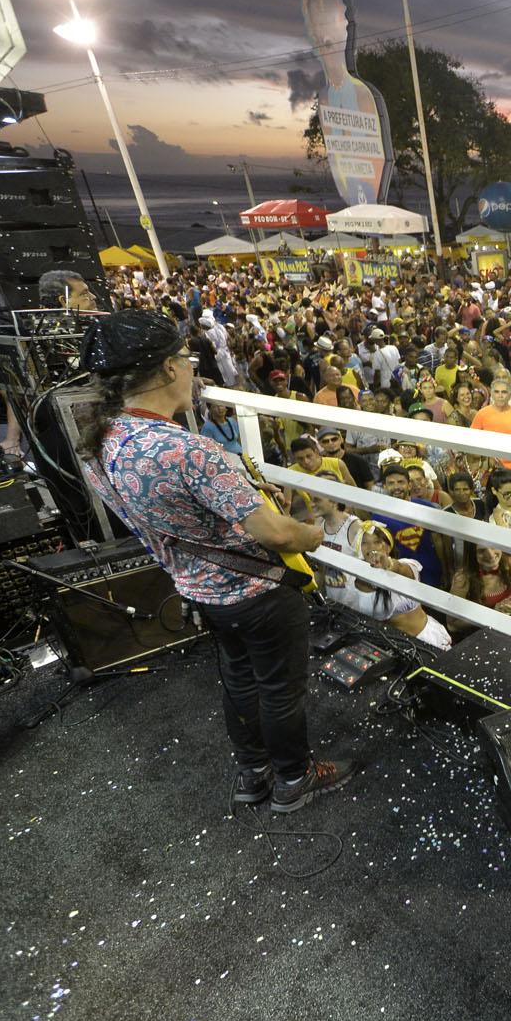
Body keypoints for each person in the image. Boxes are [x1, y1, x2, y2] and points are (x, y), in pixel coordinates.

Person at [79, 310, 351, 814]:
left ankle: (255, 773)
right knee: (280, 688)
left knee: (240, 680)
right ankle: (294, 778)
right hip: (259, 592)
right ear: (166, 370)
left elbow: (151, 530)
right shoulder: (183, 448)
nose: (192, 370)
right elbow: (274, 531)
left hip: (201, 591)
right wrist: (314, 534)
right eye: (186, 359)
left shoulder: (101, 443)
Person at [346, 522, 453, 649]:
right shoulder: (354, 579)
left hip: (426, 642)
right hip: (392, 649)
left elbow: (402, 569)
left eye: (377, 542)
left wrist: (389, 564)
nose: (371, 547)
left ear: (388, 547)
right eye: (364, 543)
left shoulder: (406, 565)